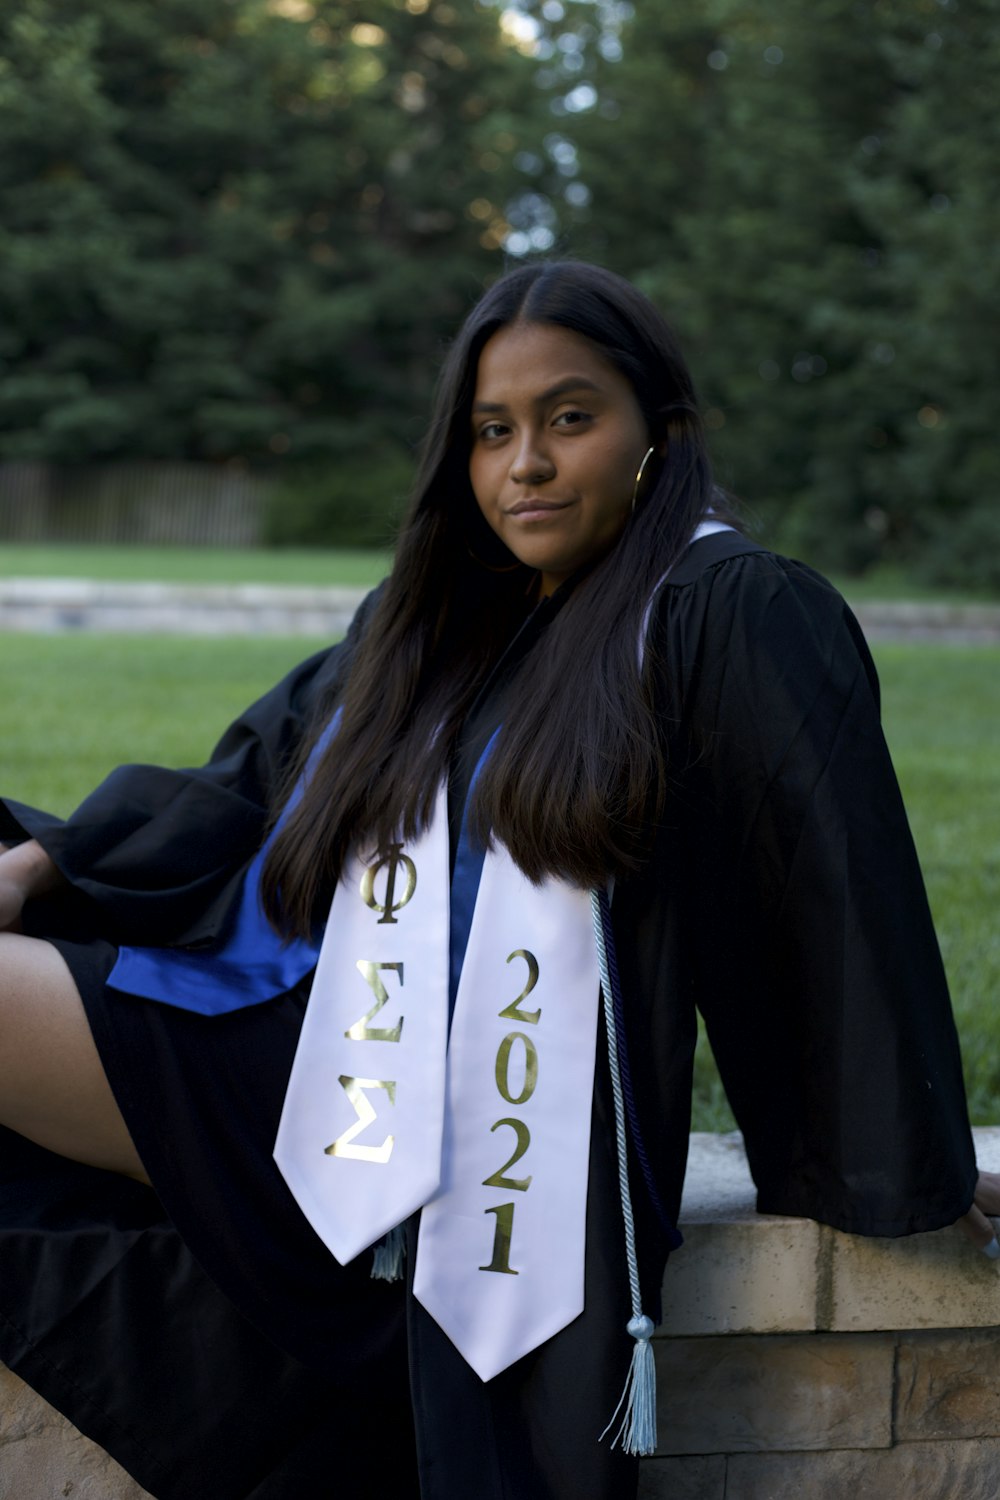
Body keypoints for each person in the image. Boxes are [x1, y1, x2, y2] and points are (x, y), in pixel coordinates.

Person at [0, 260, 996, 1500]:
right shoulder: (431, 620)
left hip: (462, 1127)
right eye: (491, 430)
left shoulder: (717, 610)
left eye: (568, 419)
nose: (523, 461)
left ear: (657, 434)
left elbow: (823, 890)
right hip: (291, 1047)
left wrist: (906, 1172)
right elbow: (248, 780)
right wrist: (39, 867)